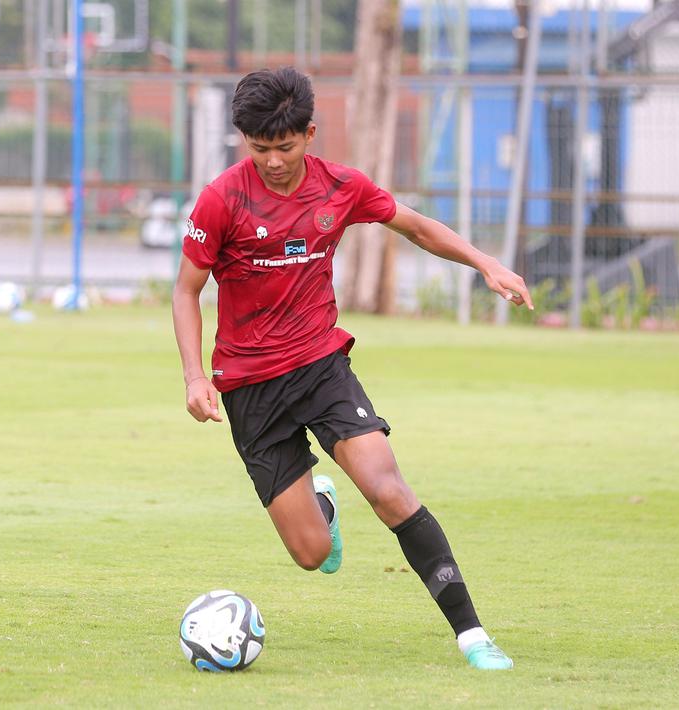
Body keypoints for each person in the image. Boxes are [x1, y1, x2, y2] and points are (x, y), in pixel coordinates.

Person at [172, 67, 531, 669]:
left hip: (320, 366)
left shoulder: (340, 187)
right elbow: (186, 292)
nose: (273, 162)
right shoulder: (222, 199)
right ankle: (323, 508)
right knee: (312, 554)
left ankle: (473, 636)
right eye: (260, 150)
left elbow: (415, 225)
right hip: (249, 389)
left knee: (388, 489)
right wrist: (193, 376)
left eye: (284, 148)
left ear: (309, 134)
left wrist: (482, 261)